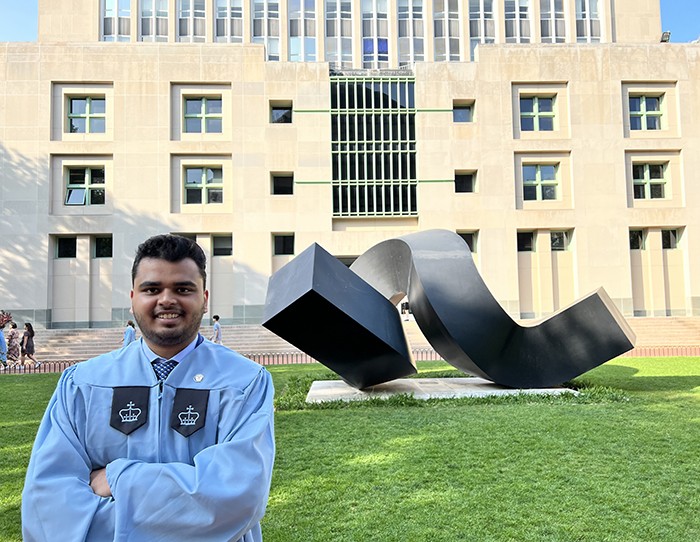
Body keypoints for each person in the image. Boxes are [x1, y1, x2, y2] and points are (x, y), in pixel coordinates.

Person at [22, 234, 275, 541]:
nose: (167, 299)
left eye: (183, 289)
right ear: (132, 298)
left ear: (205, 299)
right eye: (152, 289)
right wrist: (188, 507)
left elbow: (236, 497)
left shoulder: (245, 382)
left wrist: (119, 478)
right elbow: (49, 506)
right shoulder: (83, 384)